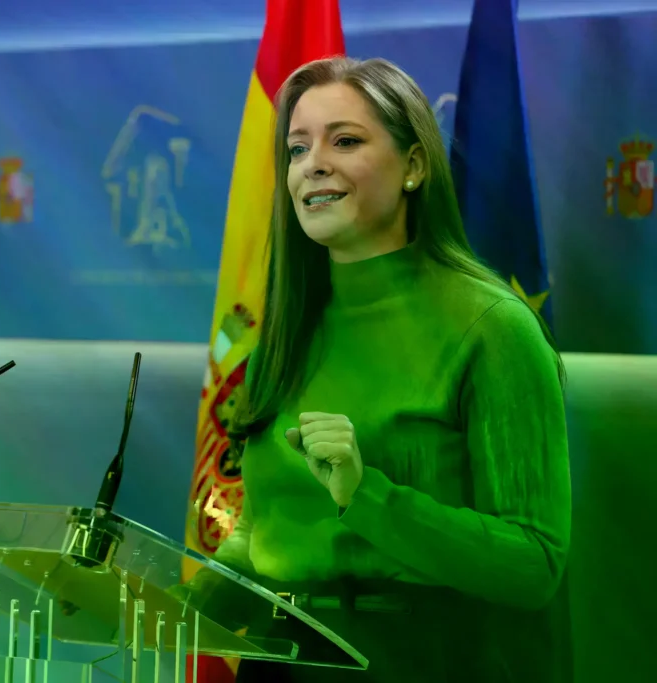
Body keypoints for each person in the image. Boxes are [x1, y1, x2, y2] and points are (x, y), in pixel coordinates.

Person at [198, 56, 572, 682]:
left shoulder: (492, 325)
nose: (313, 163)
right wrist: (168, 602)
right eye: (296, 148)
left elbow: (534, 565)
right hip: (280, 657)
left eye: (344, 141)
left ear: (415, 166)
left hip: (423, 659)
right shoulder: (286, 334)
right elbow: (269, 531)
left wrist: (366, 495)